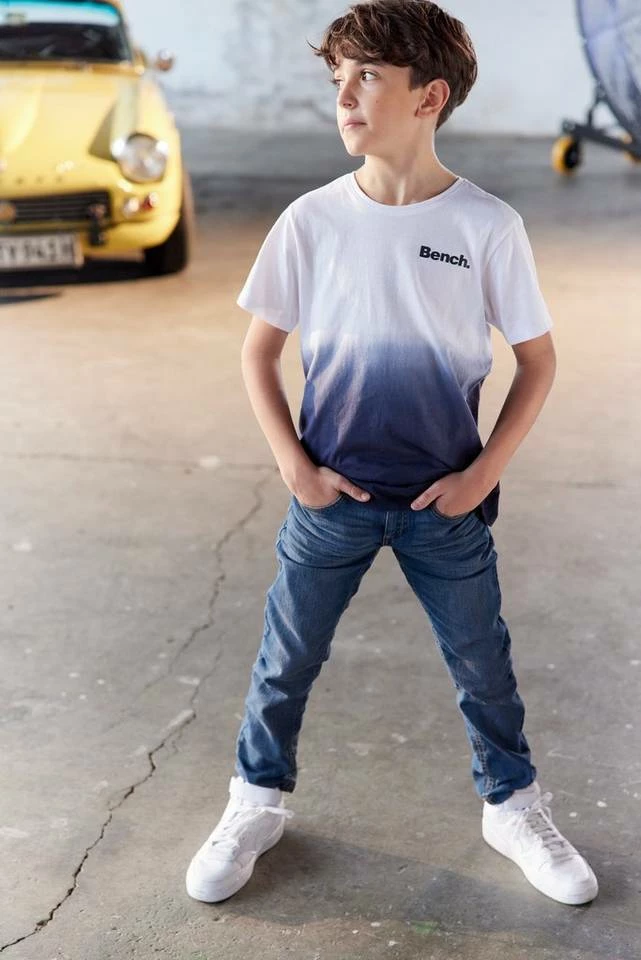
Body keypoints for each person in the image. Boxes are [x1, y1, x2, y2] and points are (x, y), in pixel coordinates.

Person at [186, 0, 598, 907]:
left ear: (429, 96)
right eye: (337, 78)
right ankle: (255, 800)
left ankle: (512, 806)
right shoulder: (311, 220)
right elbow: (257, 353)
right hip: (329, 499)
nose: (344, 96)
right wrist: (294, 467)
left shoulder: (486, 225)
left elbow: (536, 361)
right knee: (285, 661)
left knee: (481, 665)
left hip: (441, 506)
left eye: (367, 76)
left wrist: (481, 475)